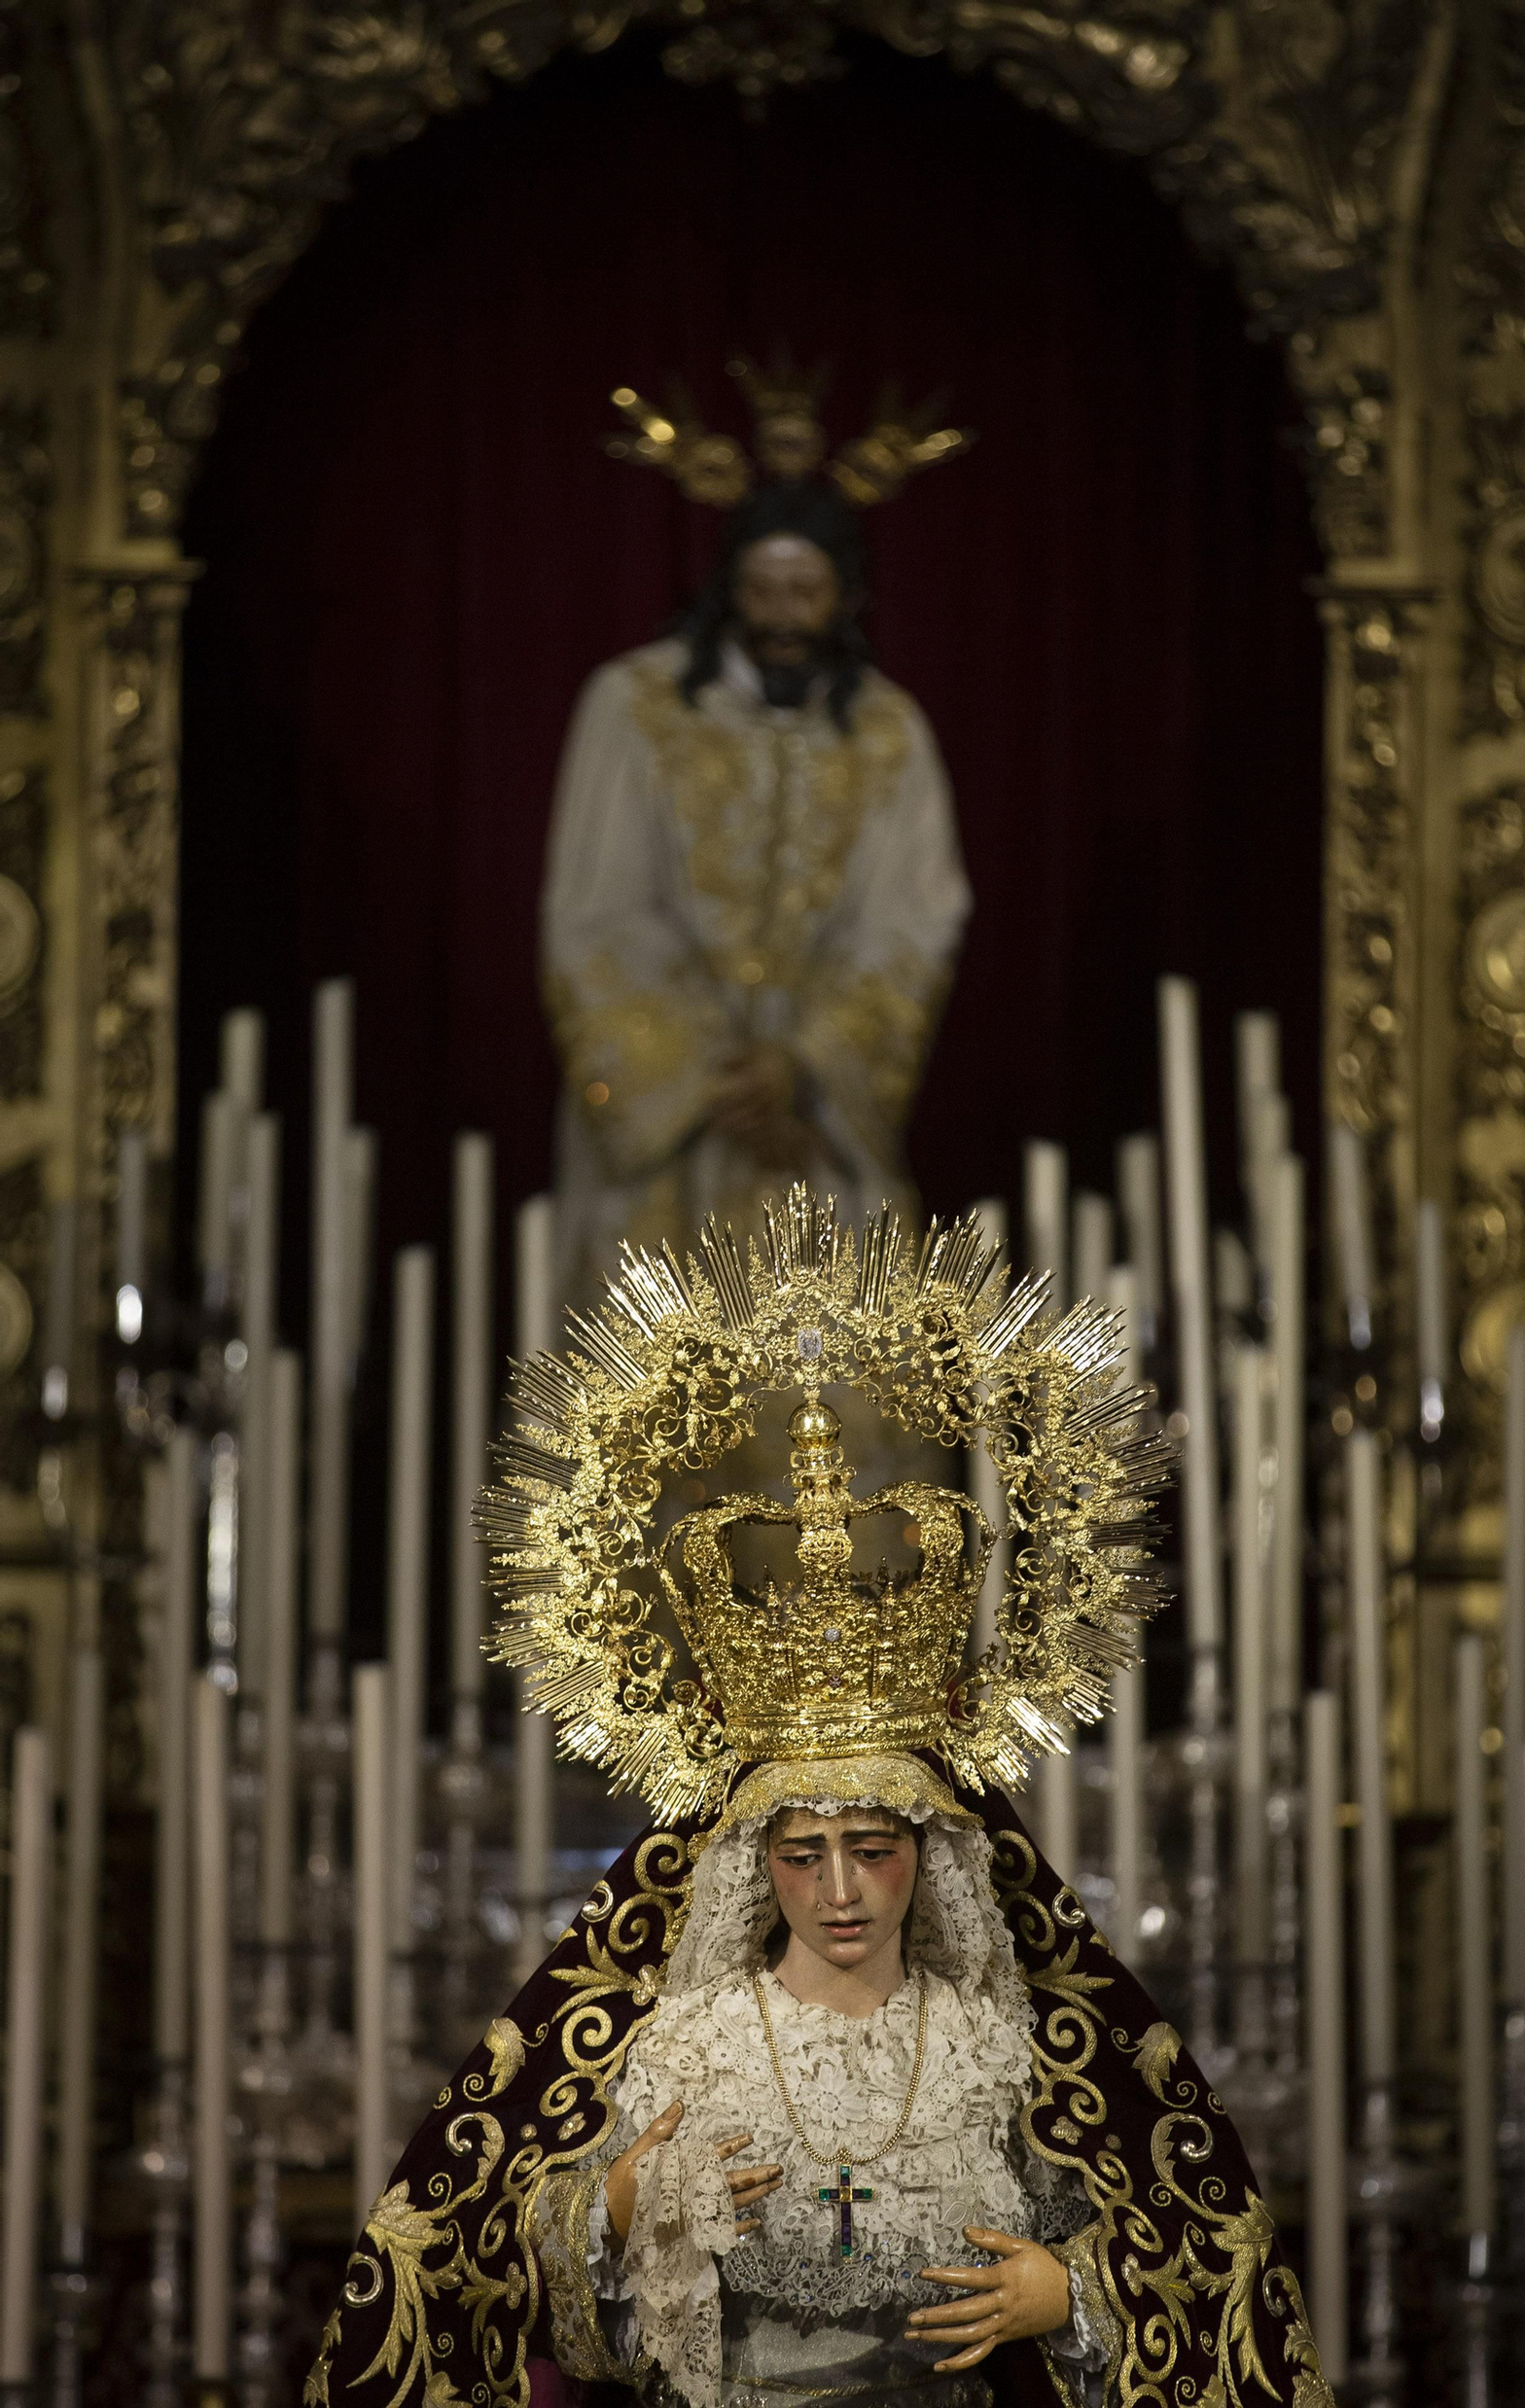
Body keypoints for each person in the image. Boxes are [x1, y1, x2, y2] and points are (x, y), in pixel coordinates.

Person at [309, 1191, 1334, 2408]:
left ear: (935, 1851)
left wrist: (1069, 2293)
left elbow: (1205, 2251)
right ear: (753, 1859)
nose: (839, 1890)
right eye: (801, 1853)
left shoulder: (993, 2045)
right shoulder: (689, 2044)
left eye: (871, 1847)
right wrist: (633, 2205)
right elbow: (525, 2296)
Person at [542, 463, 971, 1311]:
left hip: (816, 1130)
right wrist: (715, 1079)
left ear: (845, 596)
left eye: (805, 591)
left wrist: (807, 1066)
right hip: (669, 1134)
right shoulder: (635, 708)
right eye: (762, 590)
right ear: (728, 587)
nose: (781, 617)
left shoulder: (889, 734)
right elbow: (596, 912)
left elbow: (912, 922)